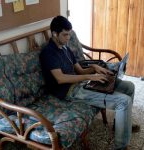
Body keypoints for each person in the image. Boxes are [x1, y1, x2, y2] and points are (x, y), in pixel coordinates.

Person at [39, 15, 138, 150]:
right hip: (69, 91)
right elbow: (60, 78)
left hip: (81, 84)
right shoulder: (48, 52)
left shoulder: (66, 49)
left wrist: (94, 69)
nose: (68, 38)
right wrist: (89, 77)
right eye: (65, 35)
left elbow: (79, 71)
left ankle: (121, 124)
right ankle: (120, 147)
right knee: (123, 101)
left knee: (129, 86)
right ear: (54, 34)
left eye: (69, 34)